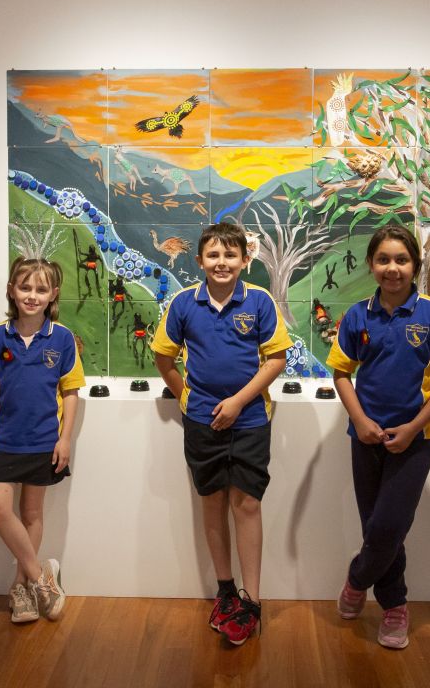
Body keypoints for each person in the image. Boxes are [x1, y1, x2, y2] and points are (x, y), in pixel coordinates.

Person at [327, 225, 430, 650]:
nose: (393, 269)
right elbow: (341, 373)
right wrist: (361, 421)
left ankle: (358, 580)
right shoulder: (358, 315)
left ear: (416, 265)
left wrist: (412, 428)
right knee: (376, 526)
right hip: (365, 436)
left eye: (402, 260)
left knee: (389, 525)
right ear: (372, 265)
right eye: (384, 260)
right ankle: (395, 608)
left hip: (416, 438)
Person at [150, 222, 291, 646]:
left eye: (230, 255)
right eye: (213, 255)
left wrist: (237, 403)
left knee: (246, 503)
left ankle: (252, 600)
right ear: (200, 262)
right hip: (201, 422)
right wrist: (187, 398)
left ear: (245, 261)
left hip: (249, 421)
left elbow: (276, 360)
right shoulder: (183, 304)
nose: (222, 262)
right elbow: (163, 356)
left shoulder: (261, 301)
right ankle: (225, 589)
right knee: (212, 500)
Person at [0, 257, 85, 624]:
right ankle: (41, 577)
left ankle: (20, 588)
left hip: (43, 442)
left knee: (32, 514)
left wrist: (65, 440)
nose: (31, 296)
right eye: (25, 288)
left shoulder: (64, 338)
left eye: (40, 290)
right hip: (4, 442)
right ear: (11, 290)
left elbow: (71, 393)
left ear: (53, 295)